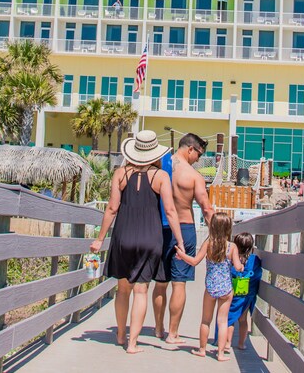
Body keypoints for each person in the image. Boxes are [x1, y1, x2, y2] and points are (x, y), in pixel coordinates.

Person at [90, 130, 185, 354]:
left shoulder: (120, 174)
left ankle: (121, 334)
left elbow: (112, 208)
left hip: (124, 236)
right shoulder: (161, 176)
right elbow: (170, 211)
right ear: (154, 153)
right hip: (150, 237)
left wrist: (99, 239)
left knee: (123, 290)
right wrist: (179, 240)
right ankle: (133, 343)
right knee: (141, 291)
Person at [152, 133, 215, 343]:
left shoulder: (160, 165)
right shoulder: (193, 176)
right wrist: (217, 234)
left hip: (161, 227)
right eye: (199, 154)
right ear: (190, 149)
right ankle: (172, 334)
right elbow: (206, 209)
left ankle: (158, 329)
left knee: (160, 283)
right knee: (179, 284)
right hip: (185, 228)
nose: (198, 159)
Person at [175, 212, 244, 361]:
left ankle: (202, 349)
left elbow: (194, 262)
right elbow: (238, 266)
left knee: (206, 320)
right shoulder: (232, 247)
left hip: (211, 288)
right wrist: (241, 267)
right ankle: (220, 354)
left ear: (212, 227)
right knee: (223, 320)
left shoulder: (208, 244)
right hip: (226, 288)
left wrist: (182, 255)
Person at [222, 232, 263, 352]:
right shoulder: (254, 260)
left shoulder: (232, 259)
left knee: (230, 319)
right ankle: (241, 343)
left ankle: (228, 343)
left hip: (233, 294)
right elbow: (257, 275)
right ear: (251, 247)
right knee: (243, 320)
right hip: (247, 295)